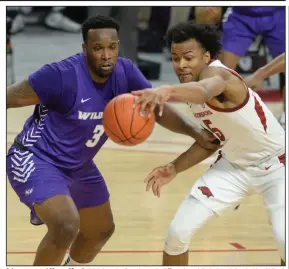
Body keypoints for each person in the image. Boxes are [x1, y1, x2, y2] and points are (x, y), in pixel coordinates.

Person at [6, 16, 219, 266]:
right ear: (85, 49)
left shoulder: (125, 72)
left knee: (100, 231)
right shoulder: (60, 76)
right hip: (35, 158)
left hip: (78, 165)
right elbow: (7, 97)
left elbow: (156, 108)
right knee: (66, 225)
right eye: (98, 48)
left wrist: (196, 132)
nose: (107, 55)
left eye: (112, 47)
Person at [132, 22, 285, 266]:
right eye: (175, 58)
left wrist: (167, 90)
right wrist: (174, 167)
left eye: (188, 58)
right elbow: (209, 142)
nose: (181, 65)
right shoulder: (191, 89)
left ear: (206, 56)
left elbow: (205, 90)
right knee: (177, 234)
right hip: (234, 167)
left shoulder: (218, 76)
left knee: (284, 240)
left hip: (278, 166)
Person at [219, 7, 285, 128]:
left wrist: (259, 75)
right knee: (221, 71)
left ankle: (286, 116)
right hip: (240, 13)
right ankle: (220, 117)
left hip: (279, 11)